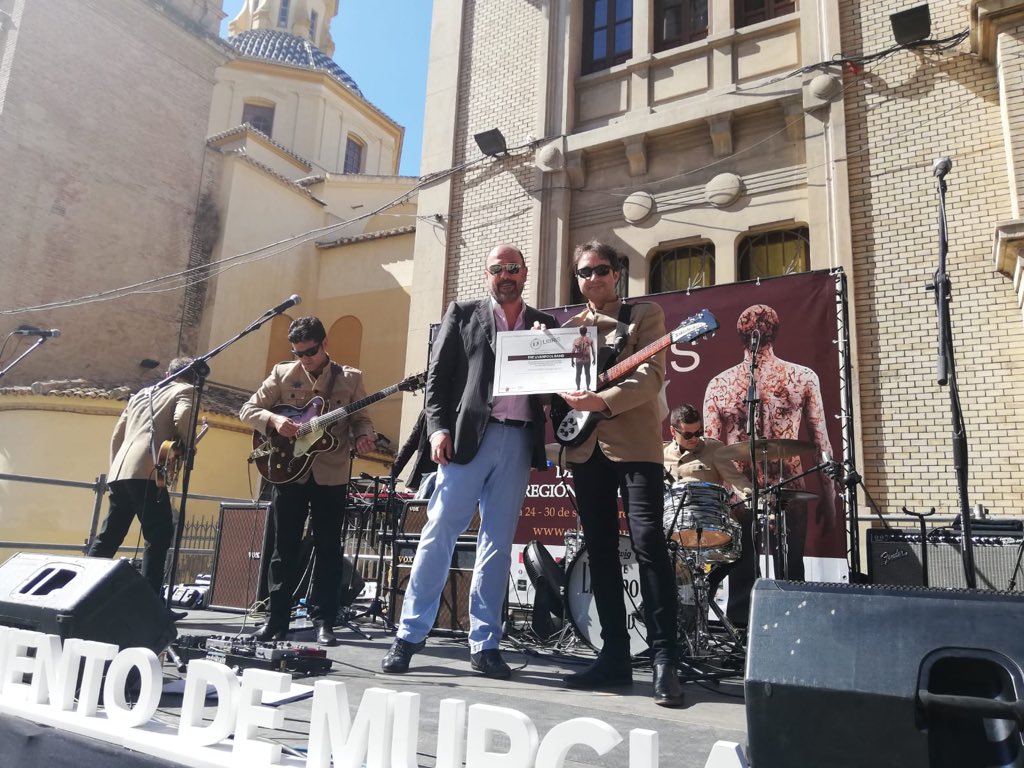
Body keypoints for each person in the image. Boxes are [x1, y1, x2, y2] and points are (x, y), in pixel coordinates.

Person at [381, 243, 557, 679]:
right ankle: (409, 635)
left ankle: (485, 643)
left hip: (518, 441)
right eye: (498, 268)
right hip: (465, 442)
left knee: (497, 544)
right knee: (438, 532)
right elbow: (437, 380)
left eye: (513, 268)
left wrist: (567, 357)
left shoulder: (545, 324)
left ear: (525, 273)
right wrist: (437, 429)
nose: (506, 275)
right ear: (487, 273)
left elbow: (552, 392)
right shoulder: (462, 313)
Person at [557, 241, 685, 708]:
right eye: (584, 272)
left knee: (649, 543)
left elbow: (650, 376)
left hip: (635, 447)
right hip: (585, 449)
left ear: (616, 273)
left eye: (601, 270)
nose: (592, 278)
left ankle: (665, 659)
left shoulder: (644, 315)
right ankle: (613, 656)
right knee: (600, 551)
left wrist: (603, 401)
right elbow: (553, 387)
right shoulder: (568, 329)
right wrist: (537, 351)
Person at [240, 316, 377, 646]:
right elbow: (248, 410)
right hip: (288, 472)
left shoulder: (350, 377)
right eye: (298, 353)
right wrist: (275, 420)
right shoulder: (282, 373)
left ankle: (323, 621)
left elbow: (361, 419)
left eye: (311, 352)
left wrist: (364, 436)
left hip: (331, 473)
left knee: (329, 548)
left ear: (325, 344)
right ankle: (276, 620)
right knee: (283, 548)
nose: (305, 359)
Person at [703, 303, 838, 589]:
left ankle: (744, 616)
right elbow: (821, 443)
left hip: (740, 493)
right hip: (787, 487)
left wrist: (711, 505)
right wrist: (830, 497)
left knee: (742, 574)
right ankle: (787, 615)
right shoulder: (803, 377)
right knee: (790, 572)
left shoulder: (719, 384)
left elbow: (710, 450)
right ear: (776, 331)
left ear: (739, 334)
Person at [89, 357, 197, 596]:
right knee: (159, 534)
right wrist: (190, 445)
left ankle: (80, 588)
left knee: (109, 536)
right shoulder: (185, 390)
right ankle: (150, 601)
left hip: (121, 470)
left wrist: (115, 470)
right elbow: (183, 417)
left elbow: (117, 435)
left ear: (168, 373)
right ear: (194, 377)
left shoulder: (140, 395)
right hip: (148, 471)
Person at [662, 403, 753, 625]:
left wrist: (755, 498)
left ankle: (704, 590)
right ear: (673, 431)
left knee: (738, 551)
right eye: (688, 434)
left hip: (711, 527)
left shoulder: (714, 449)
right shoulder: (661, 454)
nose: (695, 438)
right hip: (673, 531)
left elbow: (738, 481)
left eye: (699, 432)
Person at [571, 325, 595, 389]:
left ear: (580, 331)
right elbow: (593, 350)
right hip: (587, 359)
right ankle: (588, 387)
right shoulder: (590, 339)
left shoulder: (576, 340)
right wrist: (594, 359)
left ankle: (578, 387)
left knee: (578, 373)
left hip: (579, 359)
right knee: (587, 373)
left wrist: (572, 360)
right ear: (586, 331)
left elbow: (573, 351)